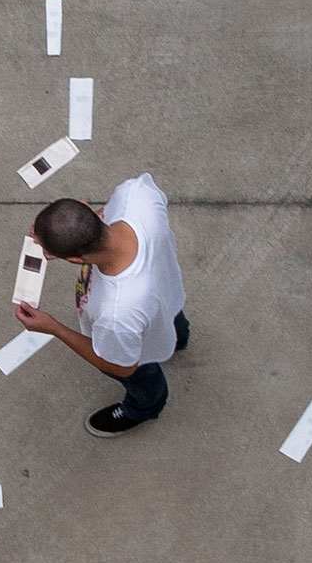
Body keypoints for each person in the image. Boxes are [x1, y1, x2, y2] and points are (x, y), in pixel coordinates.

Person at [13, 173, 189, 438]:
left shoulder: (115, 316)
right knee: (172, 324)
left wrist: (54, 328)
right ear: (85, 206)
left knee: (143, 377)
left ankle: (144, 408)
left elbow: (121, 366)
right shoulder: (135, 194)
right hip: (168, 294)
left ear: (73, 258)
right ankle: (178, 339)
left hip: (135, 334)